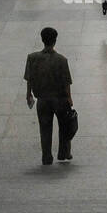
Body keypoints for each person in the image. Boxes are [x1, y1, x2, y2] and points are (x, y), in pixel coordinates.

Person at [24, 27, 74, 166]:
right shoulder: (61, 60)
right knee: (64, 126)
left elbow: (29, 79)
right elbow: (66, 82)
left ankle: (46, 156)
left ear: (42, 39)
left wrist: (28, 94)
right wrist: (69, 98)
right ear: (55, 41)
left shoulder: (32, 58)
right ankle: (63, 153)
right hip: (60, 99)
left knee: (45, 128)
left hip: (43, 100)